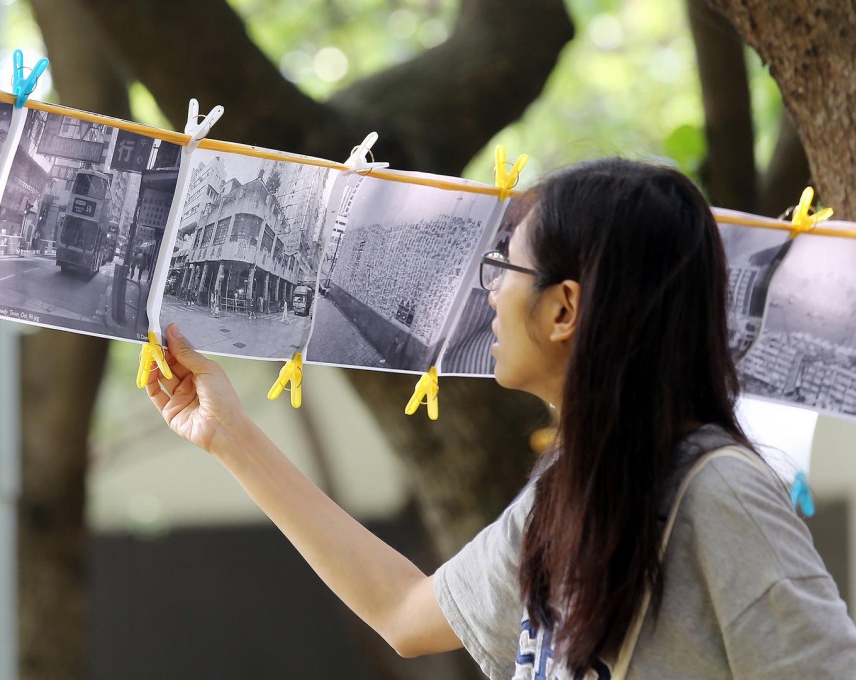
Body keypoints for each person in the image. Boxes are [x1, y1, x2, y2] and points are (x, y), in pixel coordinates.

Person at [144, 158, 856, 678]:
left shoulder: (721, 494)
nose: (489, 295)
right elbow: (405, 612)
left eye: (504, 269)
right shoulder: (564, 495)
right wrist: (229, 437)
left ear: (563, 309)